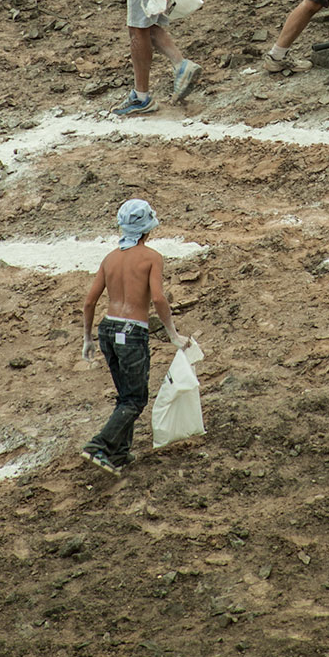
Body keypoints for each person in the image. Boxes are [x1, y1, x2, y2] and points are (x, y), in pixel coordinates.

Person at [81, 199, 193, 476]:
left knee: (125, 395)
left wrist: (88, 338)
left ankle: (119, 452)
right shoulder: (151, 257)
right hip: (132, 333)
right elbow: (157, 298)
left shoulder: (109, 259)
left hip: (107, 330)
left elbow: (89, 302)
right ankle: (100, 446)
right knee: (135, 399)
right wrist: (173, 335)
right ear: (147, 229)